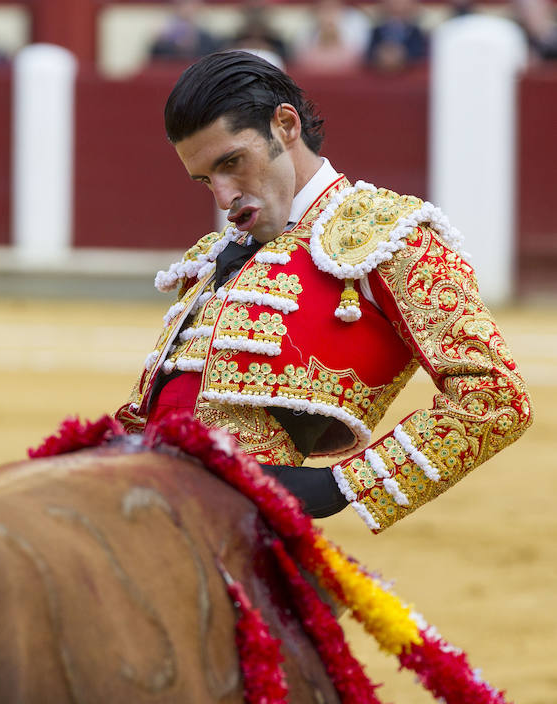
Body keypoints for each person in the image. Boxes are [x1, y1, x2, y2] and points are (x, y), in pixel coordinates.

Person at [115, 51, 533, 532]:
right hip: (137, 503)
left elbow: (497, 397)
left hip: (233, 531)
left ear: (286, 126)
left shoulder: (391, 236)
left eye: (233, 162)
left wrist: (340, 485)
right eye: (206, 179)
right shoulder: (221, 254)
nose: (224, 197)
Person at [149, 0, 222, 64]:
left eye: (191, 5)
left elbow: (211, 58)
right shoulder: (163, 37)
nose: (187, 9)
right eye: (182, 5)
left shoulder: (207, 36)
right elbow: (157, 61)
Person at [365, 0, 428, 72]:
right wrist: (380, 55)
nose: (397, 5)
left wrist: (403, 55)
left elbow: (420, 54)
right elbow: (368, 54)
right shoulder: (376, 32)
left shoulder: (416, 33)